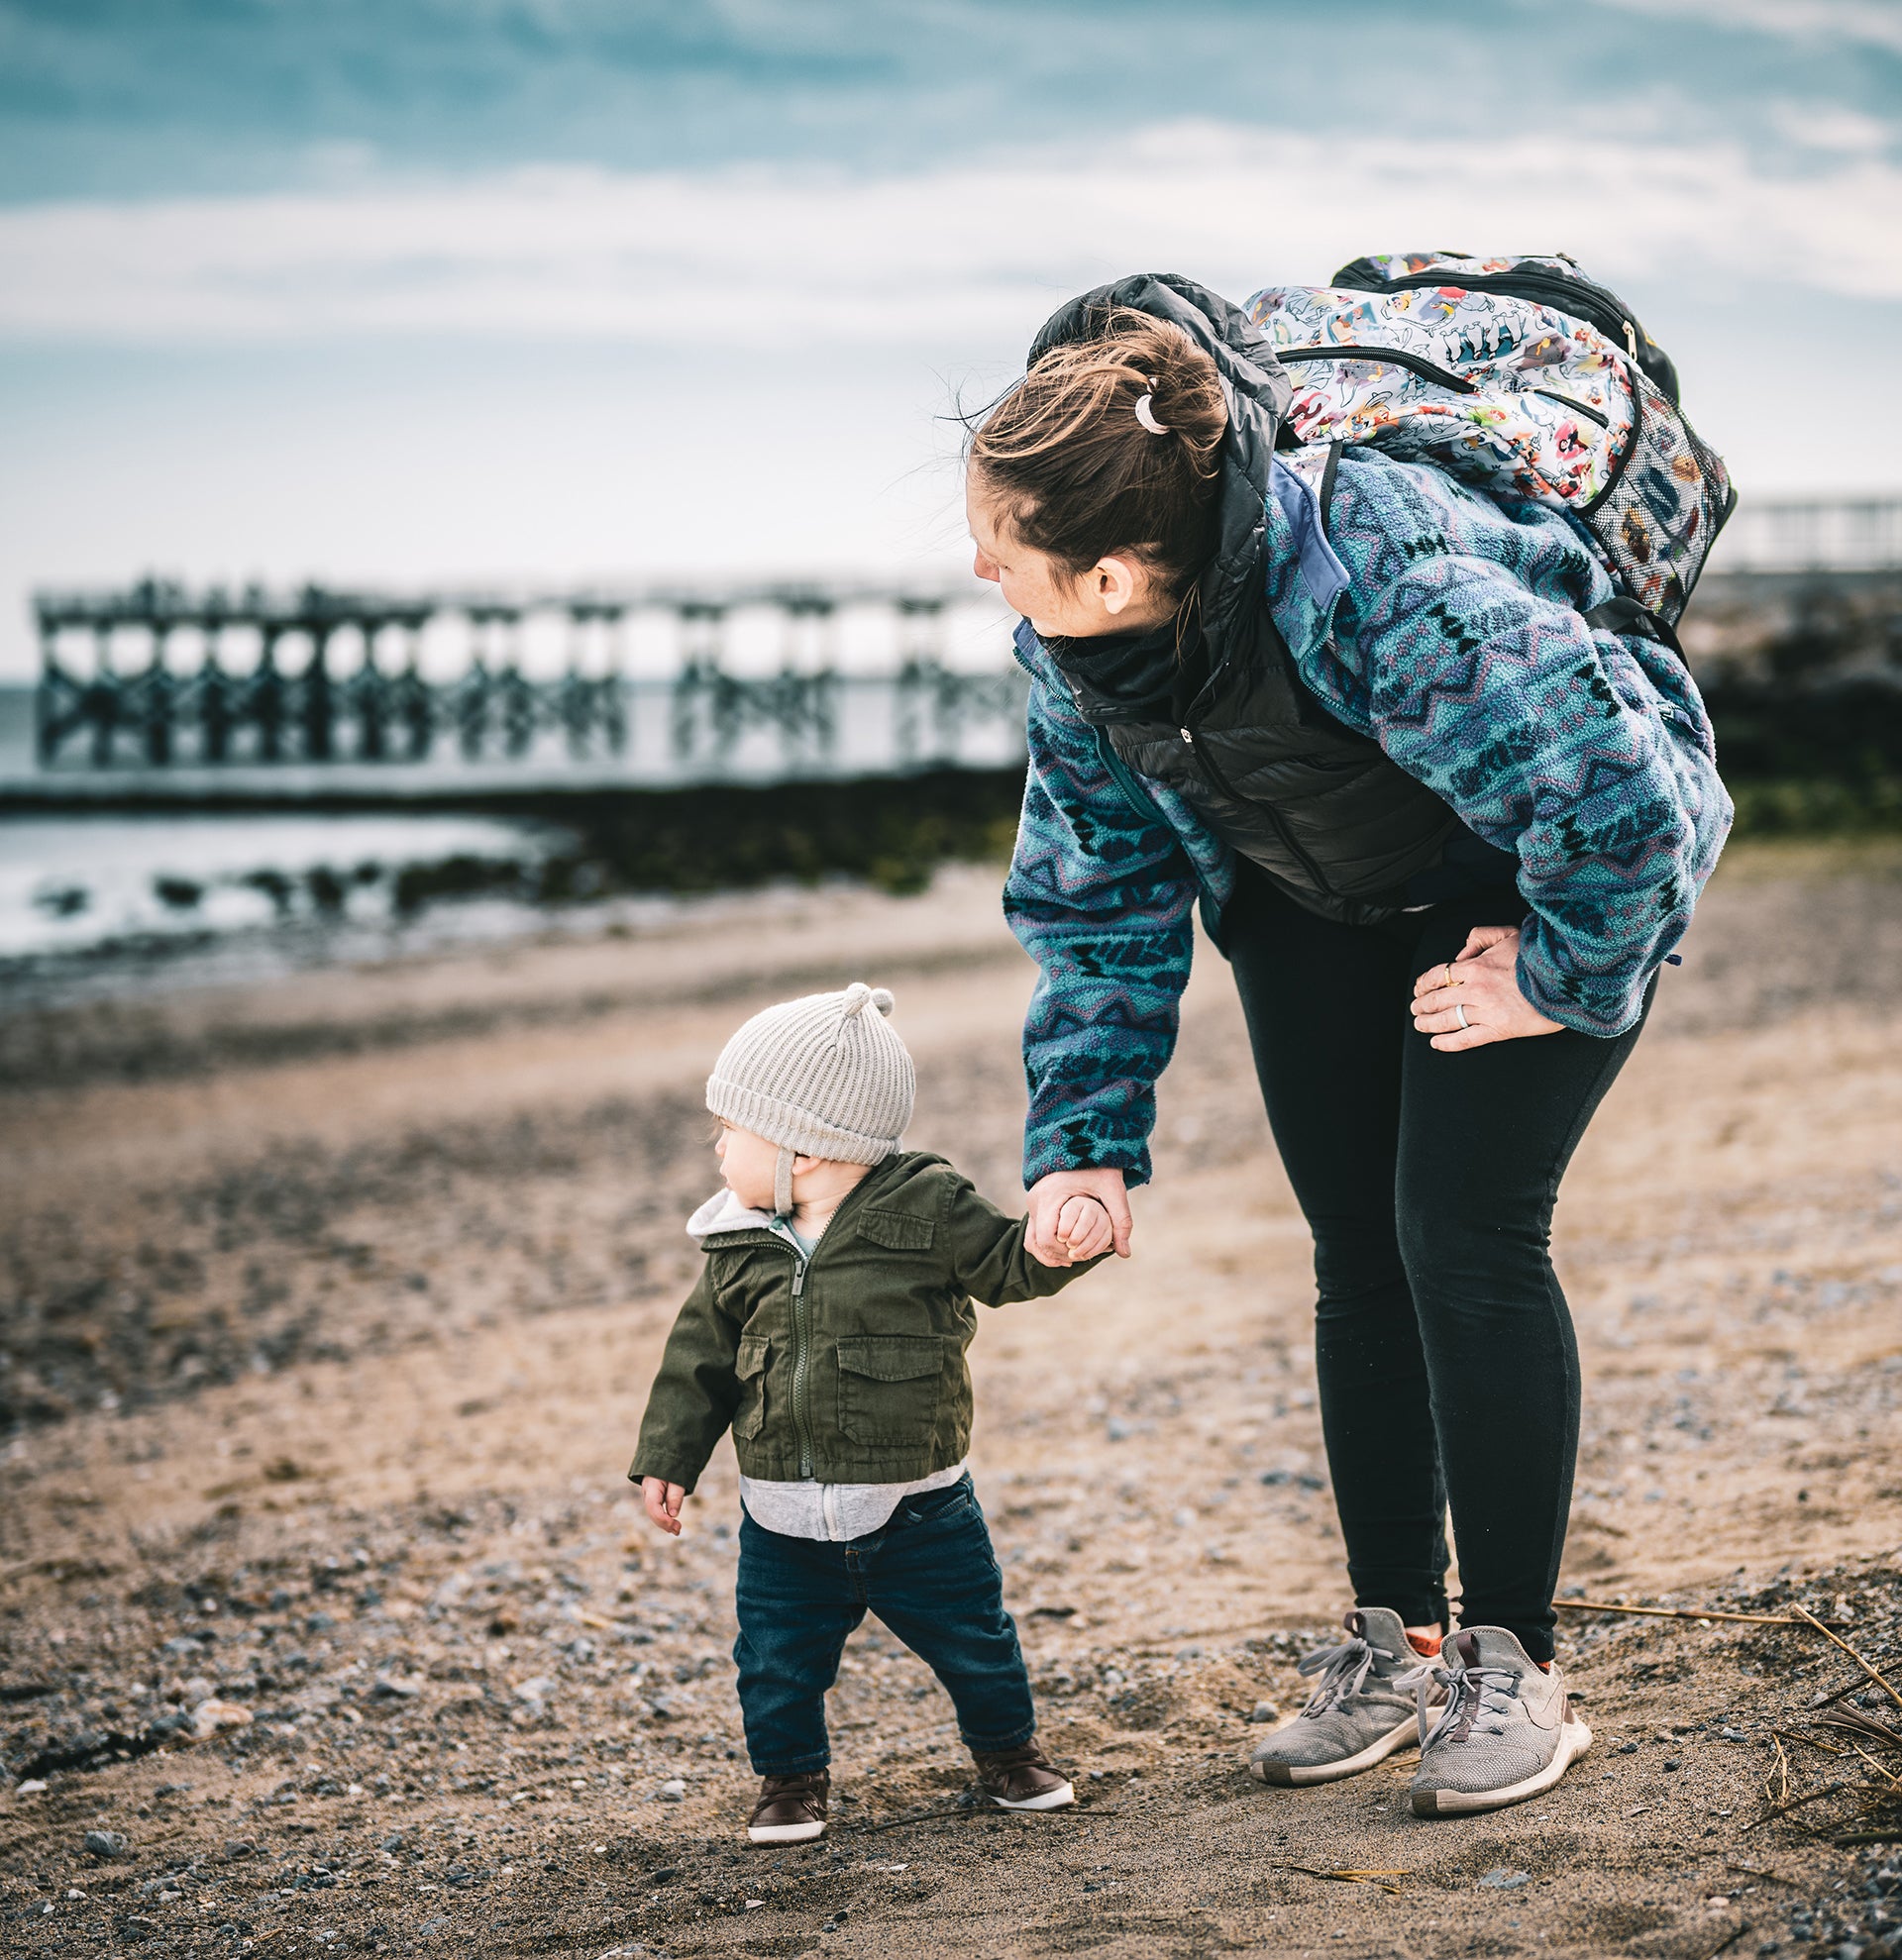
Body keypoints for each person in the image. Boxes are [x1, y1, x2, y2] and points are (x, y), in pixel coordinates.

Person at [969, 274, 1731, 1817]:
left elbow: (1634, 805)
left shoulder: (1389, 575)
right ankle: (1397, 1640)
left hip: (1524, 883)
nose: (979, 570)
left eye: (1001, 549)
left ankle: (1519, 1662)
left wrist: (1566, 975)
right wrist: (1087, 1140)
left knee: (1462, 1232)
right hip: (1316, 884)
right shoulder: (1073, 660)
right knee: (1354, 1253)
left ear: (1114, 570)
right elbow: (1096, 895)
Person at [627, 980, 1111, 1843]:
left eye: (728, 1132)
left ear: (802, 1150)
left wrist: (1059, 1239)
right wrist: (669, 1455)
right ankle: (789, 1780)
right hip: (778, 1514)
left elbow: (1007, 1265)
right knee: (775, 1662)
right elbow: (696, 1358)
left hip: (918, 1506)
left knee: (974, 1638)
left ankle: (1009, 1754)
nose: (717, 1151)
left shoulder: (926, 1205)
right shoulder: (738, 1238)